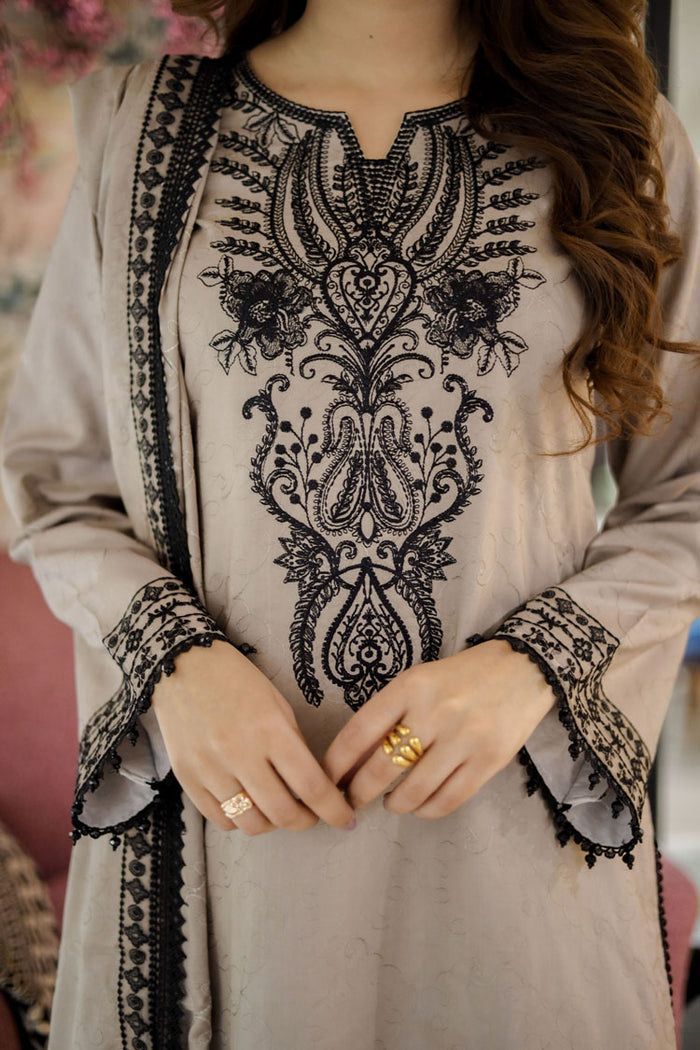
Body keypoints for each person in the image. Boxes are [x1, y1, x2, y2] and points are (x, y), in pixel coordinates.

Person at [1, 1, 699, 1047]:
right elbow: (55, 480)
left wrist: (528, 669)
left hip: (509, 825)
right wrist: (177, 665)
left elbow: (686, 489)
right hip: (226, 834)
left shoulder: (615, 133)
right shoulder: (142, 129)